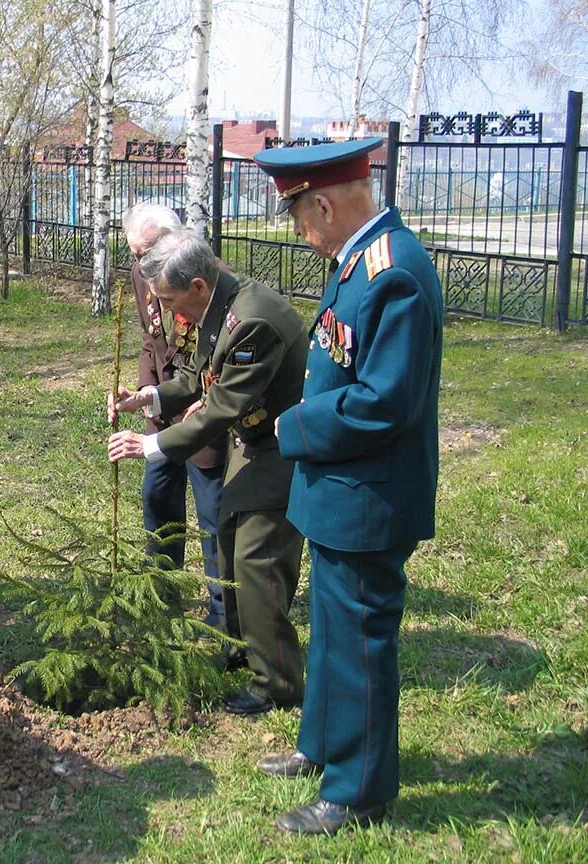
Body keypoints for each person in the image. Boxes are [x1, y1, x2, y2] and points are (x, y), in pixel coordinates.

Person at [251, 138, 444, 835]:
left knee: (360, 641)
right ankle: (324, 747)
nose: (303, 237)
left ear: (325, 205)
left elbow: (384, 401)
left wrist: (297, 426)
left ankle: (358, 791)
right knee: (331, 631)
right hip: (339, 492)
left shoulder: (394, 272)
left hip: (370, 496)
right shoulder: (360, 259)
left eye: (301, 220)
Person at [107, 228, 308, 716]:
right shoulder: (219, 306)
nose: (173, 313)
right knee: (229, 548)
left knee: (257, 564)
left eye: (173, 300)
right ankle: (242, 650)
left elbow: (219, 408)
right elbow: (200, 375)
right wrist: (149, 397)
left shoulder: (252, 321)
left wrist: (151, 444)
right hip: (251, 445)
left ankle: (277, 683)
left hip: (279, 450)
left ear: (198, 285)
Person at [120, 203, 225, 628]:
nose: (139, 261)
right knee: (158, 498)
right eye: (134, 253)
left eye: (145, 251)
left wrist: (207, 399)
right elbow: (152, 340)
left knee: (213, 514)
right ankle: (163, 595)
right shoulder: (142, 271)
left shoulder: (210, 281)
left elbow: (225, 356)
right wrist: (146, 393)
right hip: (162, 406)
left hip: (204, 414)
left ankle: (223, 613)